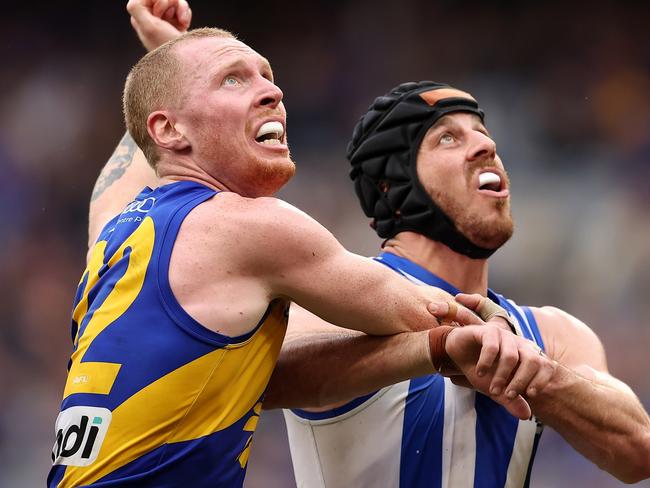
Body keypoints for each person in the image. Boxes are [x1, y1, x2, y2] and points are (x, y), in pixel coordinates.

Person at [48, 1, 551, 488]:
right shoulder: (249, 226)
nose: (273, 92)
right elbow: (431, 315)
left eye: (267, 76)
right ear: (169, 127)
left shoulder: (114, 230)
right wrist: (498, 325)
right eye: (234, 79)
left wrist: (168, 51)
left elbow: (136, 156)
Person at [274, 85, 650, 485]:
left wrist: (533, 372)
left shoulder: (551, 334)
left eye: (483, 134)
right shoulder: (334, 298)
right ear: (393, 185)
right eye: (447, 138)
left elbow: (637, 453)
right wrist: (437, 348)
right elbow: (276, 376)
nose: (485, 146)